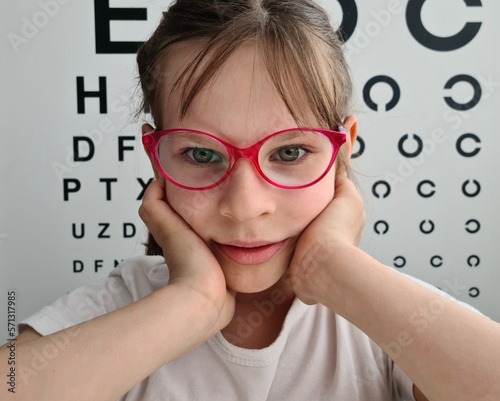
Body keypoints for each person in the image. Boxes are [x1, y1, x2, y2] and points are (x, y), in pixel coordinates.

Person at [2, 1, 499, 400]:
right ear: (157, 160)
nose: (244, 205)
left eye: (289, 152)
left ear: (341, 150)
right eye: (200, 153)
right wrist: (191, 304)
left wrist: (332, 268)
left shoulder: (380, 314)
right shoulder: (119, 305)